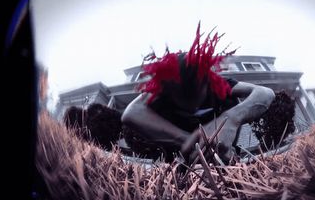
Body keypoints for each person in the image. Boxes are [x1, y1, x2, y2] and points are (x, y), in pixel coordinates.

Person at [121, 23, 290, 164]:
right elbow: (131, 113)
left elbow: (264, 93)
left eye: (194, 92)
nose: (190, 104)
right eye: (181, 95)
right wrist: (189, 140)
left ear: (206, 81)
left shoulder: (218, 83)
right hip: (180, 159)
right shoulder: (162, 91)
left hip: (223, 154)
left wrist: (231, 118)